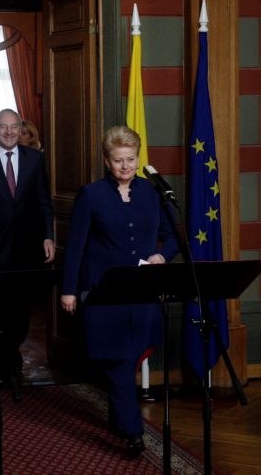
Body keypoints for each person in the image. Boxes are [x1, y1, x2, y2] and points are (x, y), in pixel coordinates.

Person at [60, 125, 178, 458]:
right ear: (107, 161)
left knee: (128, 358)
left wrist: (162, 256)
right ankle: (133, 431)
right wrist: (69, 290)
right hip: (105, 293)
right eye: (118, 160)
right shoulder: (91, 195)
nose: (125, 166)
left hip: (142, 292)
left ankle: (118, 418)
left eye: (130, 159)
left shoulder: (152, 193)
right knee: (118, 361)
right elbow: (75, 247)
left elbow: (172, 237)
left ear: (138, 158)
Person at [0, 108, 55, 401]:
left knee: (22, 312)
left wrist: (48, 235)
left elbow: (43, 201)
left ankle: (7, 352)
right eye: (3, 127)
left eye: (13, 126)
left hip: (26, 248)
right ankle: (9, 365)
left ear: (20, 128)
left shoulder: (35, 159)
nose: (9, 132)